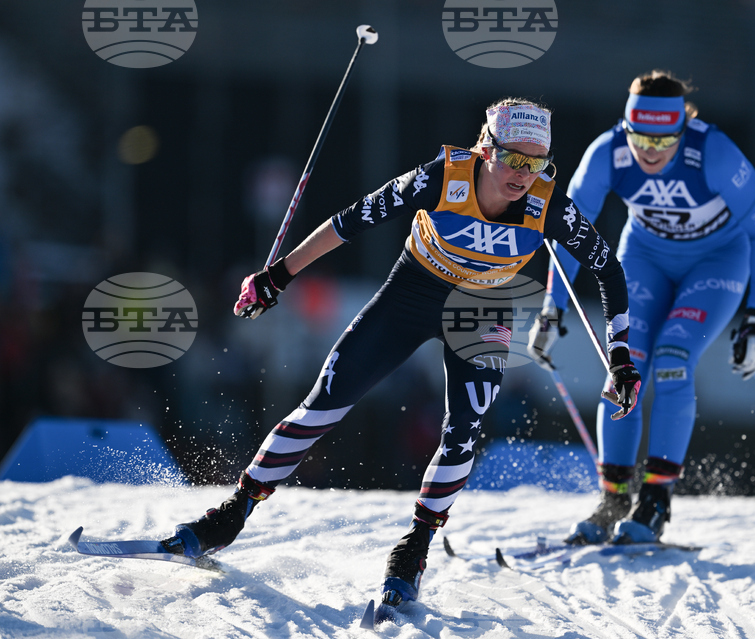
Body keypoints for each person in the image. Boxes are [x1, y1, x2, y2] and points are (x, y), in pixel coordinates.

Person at [160, 99, 641, 609]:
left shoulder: (550, 205)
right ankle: (231, 514)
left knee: (464, 434)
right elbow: (350, 221)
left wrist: (621, 355)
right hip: (412, 294)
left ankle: (414, 549)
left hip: (480, 310)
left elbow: (608, 270)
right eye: (514, 160)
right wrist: (278, 275)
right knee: (324, 402)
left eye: (538, 162)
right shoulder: (443, 177)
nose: (525, 174)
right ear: (485, 148)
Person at [528, 70, 755, 545]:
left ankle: (656, 500)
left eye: (662, 139)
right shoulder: (608, 153)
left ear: (683, 128)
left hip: (717, 261)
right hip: (645, 258)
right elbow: (567, 228)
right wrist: (551, 307)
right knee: (624, 365)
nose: (648, 149)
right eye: (639, 135)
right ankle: (614, 497)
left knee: (671, 361)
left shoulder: (715, 153)